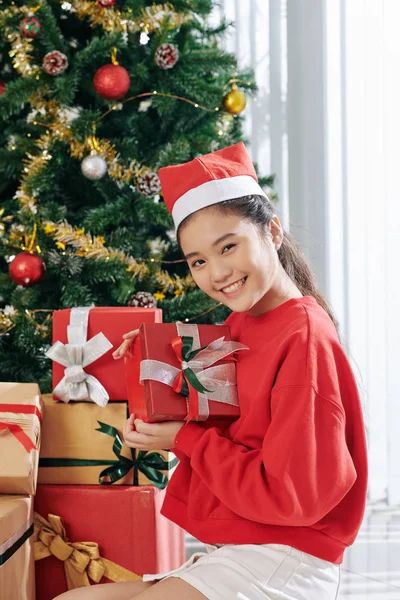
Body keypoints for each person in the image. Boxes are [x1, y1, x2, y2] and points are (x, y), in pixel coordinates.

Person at [55, 142, 368, 600]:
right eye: (199, 261)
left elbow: (296, 494)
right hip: (243, 546)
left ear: (273, 232)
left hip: (284, 558)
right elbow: (219, 404)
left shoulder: (302, 337)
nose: (218, 273)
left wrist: (181, 439)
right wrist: (153, 354)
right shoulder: (246, 320)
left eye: (228, 247)